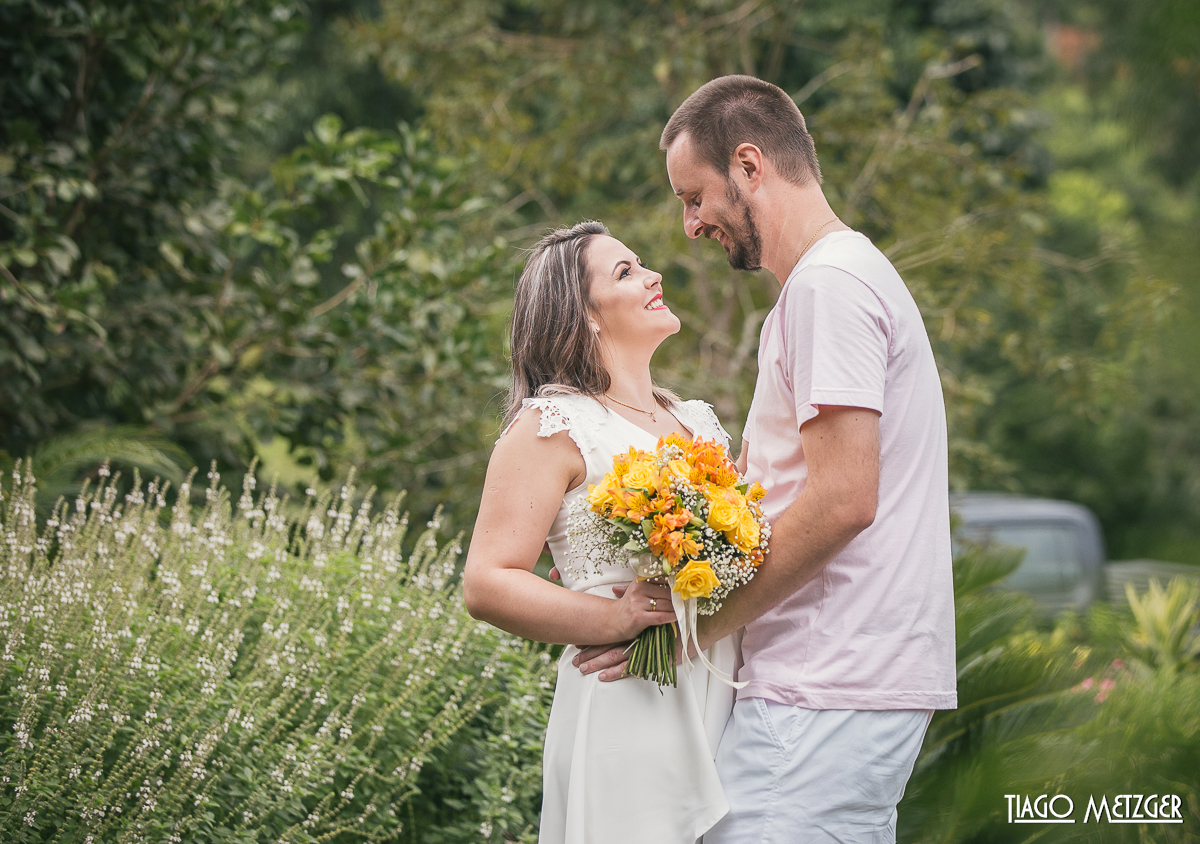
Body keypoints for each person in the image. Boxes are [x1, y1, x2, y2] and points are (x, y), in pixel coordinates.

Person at [573, 75, 958, 843]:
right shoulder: (833, 281)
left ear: (749, 165)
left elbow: (844, 499)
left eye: (695, 198)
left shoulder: (829, 288)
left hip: (826, 680)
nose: (690, 226)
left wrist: (689, 628)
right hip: (840, 683)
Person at [462, 221, 741, 844]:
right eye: (625, 272)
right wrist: (615, 619)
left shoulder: (698, 421)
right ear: (584, 316)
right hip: (630, 701)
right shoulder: (553, 425)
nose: (653, 276)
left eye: (641, 264)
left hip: (722, 691)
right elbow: (487, 581)